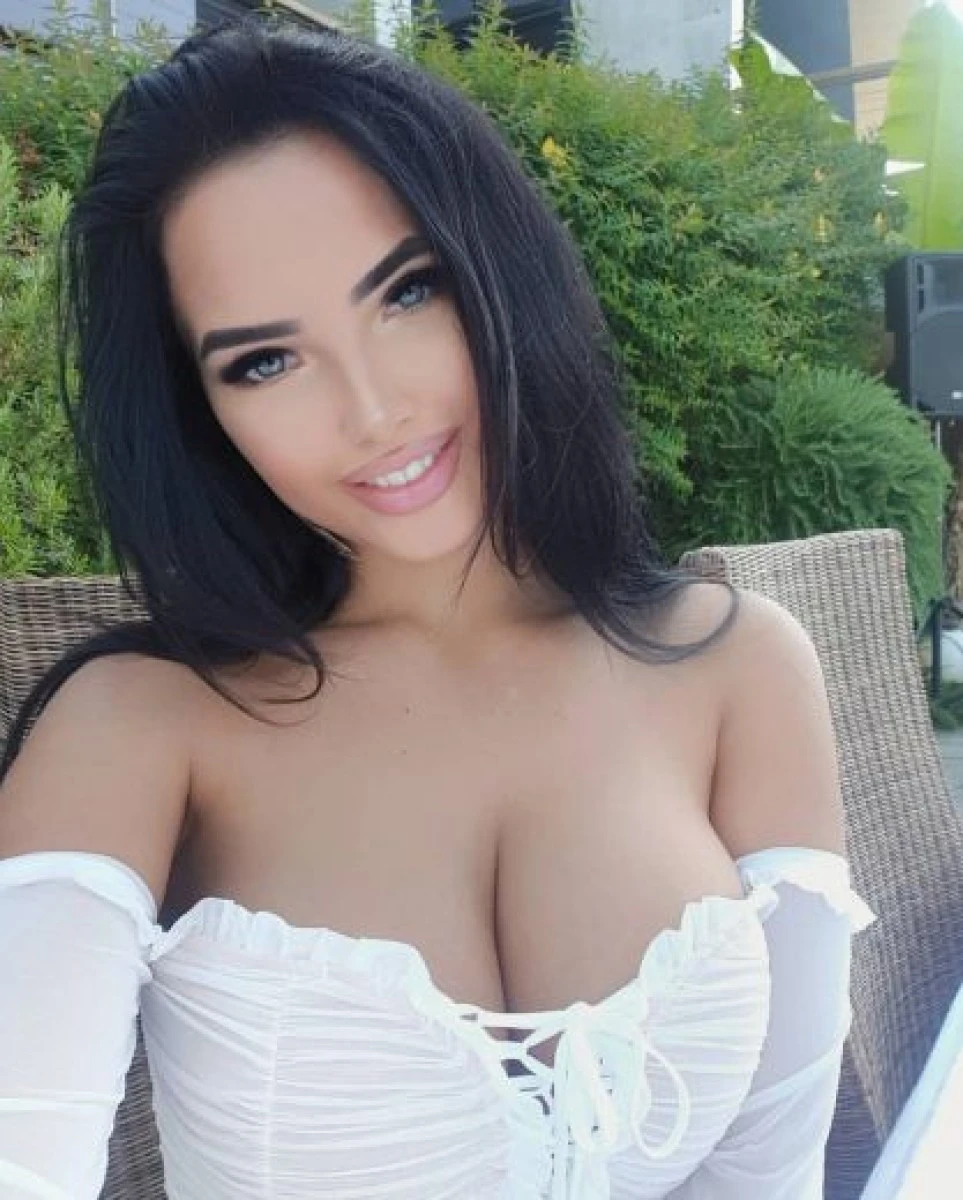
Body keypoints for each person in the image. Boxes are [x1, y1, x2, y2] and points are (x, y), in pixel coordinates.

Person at [0, 16, 875, 1200]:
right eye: (265, 361)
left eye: (408, 291)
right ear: (197, 411)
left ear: (495, 269)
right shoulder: (141, 730)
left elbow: (769, 1174)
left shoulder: (738, 671)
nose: (374, 411)